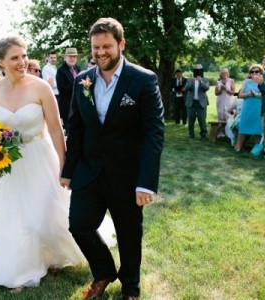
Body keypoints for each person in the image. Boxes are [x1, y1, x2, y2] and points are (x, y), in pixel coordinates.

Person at [60, 18, 165, 300]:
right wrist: (68, 170)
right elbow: (76, 127)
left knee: (129, 234)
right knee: (79, 225)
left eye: (106, 46)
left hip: (127, 175)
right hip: (89, 171)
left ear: (121, 44)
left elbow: (154, 133)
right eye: (95, 47)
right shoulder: (83, 79)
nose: (100, 52)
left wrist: (146, 183)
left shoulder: (143, 79)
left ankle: (130, 288)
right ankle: (104, 271)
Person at [0, 35, 83, 289]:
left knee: (44, 215)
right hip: (10, 163)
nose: (22, 62)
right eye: (15, 58)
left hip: (41, 157)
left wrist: (64, 166)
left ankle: (55, 253)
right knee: (15, 218)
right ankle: (21, 269)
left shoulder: (41, 87)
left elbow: (56, 130)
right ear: (1, 62)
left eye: (24, 56)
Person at [234, 64, 263, 151]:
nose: (254, 73)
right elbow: (240, 95)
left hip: (258, 109)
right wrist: (249, 94)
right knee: (243, 128)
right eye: (252, 71)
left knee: (258, 130)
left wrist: (256, 94)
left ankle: (257, 150)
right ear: (250, 73)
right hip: (247, 108)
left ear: (261, 72)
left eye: (256, 71)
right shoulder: (246, 82)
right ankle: (238, 147)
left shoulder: (262, 82)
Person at [56, 47, 80, 132]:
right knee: (69, 131)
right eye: (70, 56)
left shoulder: (78, 68)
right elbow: (62, 89)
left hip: (77, 106)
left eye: (74, 57)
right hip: (67, 107)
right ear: (65, 57)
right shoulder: (61, 70)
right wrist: (76, 82)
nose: (72, 58)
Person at [183, 64, 210, 140]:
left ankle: (203, 135)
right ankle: (191, 134)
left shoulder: (205, 79)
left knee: (202, 119)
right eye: (196, 69)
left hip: (201, 103)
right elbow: (186, 88)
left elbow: (206, 88)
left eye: (199, 69)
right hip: (191, 102)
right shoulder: (189, 79)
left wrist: (200, 81)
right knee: (190, 119)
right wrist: (192, 82)